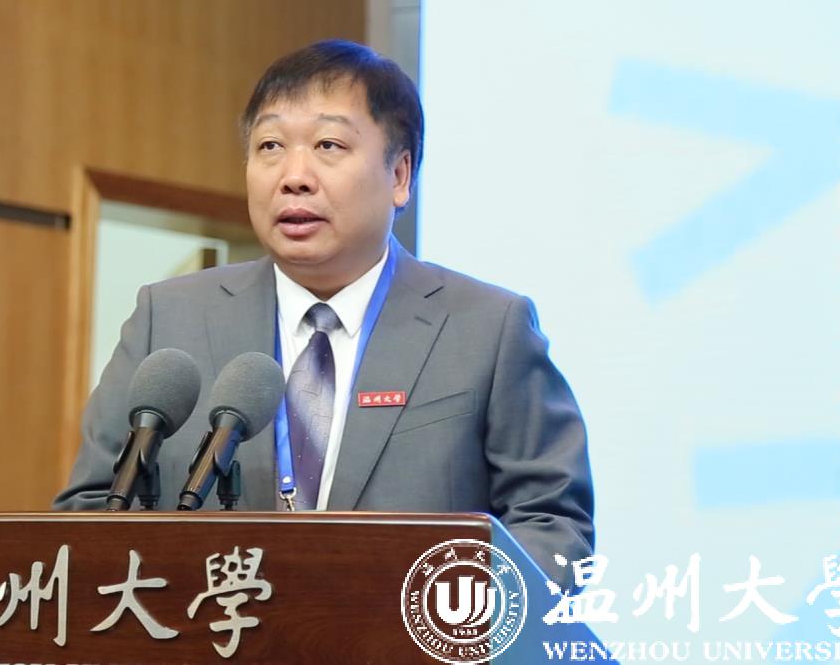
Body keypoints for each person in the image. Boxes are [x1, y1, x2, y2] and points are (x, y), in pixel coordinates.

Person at [53, 39, 593, 581]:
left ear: (400, 176)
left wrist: (445, 610)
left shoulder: (487, 329)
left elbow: (552, 528)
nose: (294, 176)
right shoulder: (168, 318)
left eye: (328, 145)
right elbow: (90, 510)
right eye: (270, 146)